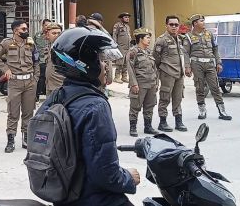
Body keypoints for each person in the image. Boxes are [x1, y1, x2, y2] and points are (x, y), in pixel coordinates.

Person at [40, 25, 139, 205]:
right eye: (100, 60)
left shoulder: (55, 97)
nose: (105, 66)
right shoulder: (95, 106)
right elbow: (105, 173)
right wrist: (129, 178)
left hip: (64, 194)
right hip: (95, 198)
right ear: (85, 64)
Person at [0, 20, 39, 153]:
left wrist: (35, 78)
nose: (26, 31)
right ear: (15, 31)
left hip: (30, 82)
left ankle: (26, 138)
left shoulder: (31, 43)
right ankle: (11, 139)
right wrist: (5, 69)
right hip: (14, 82)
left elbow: (36, 61)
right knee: (13, 112)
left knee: (28, 112)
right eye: (23, 29)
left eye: (26, 29)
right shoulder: (7, 43)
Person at [185, 14, 232, 121]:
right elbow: (186, 53)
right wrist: (187, 66)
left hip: (210, 64)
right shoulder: (188, 36)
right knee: (200, 87)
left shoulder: (209, 34)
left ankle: (222, 111)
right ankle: (202, 110)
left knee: (215, 87)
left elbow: (215, 49)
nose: (203, 23)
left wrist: (219, 63)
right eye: (201, 21)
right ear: (195, 23)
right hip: (197, 64)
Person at [153, 16, 188, 133]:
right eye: (171, 24)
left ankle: (179, 121)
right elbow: (156, 58)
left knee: (178, 98)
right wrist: (161, 70)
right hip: (167, 73)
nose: (174, 27)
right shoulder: (161, 40)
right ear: (166, 25)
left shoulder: (178, 39)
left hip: (179, 73)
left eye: (176, 25)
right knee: (165, 97)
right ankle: (162, 122)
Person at [126, 28, 159, 137]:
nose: (149, 40)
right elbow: (130, 69)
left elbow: (155, 68)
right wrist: (133, 84)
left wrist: (156, 82)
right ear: (140, 39)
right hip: (140, 84)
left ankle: (148, 126)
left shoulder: (149, 52)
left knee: (150, 106)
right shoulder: (133, 52)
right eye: (147, 38)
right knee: (135, 106)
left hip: (151, 83)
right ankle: (133, 127)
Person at [43, 22, 64, 95]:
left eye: (59, 33)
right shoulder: (48, 47)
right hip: (49, 85)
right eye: (54, 33)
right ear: (47, 35)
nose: (57, 35)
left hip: (61, 86)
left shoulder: (65, 48)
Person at [112, 13, 132, 84]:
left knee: (126, 63)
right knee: (120, 63)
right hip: (120, 47)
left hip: (127, 47)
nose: (127, 18)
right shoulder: (117, 25)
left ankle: (124, 77)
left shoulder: (127, 26)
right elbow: (114, 35)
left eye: (128, 17)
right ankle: (117, 77)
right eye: (126, 17)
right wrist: (115, 45)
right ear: (121, 18)